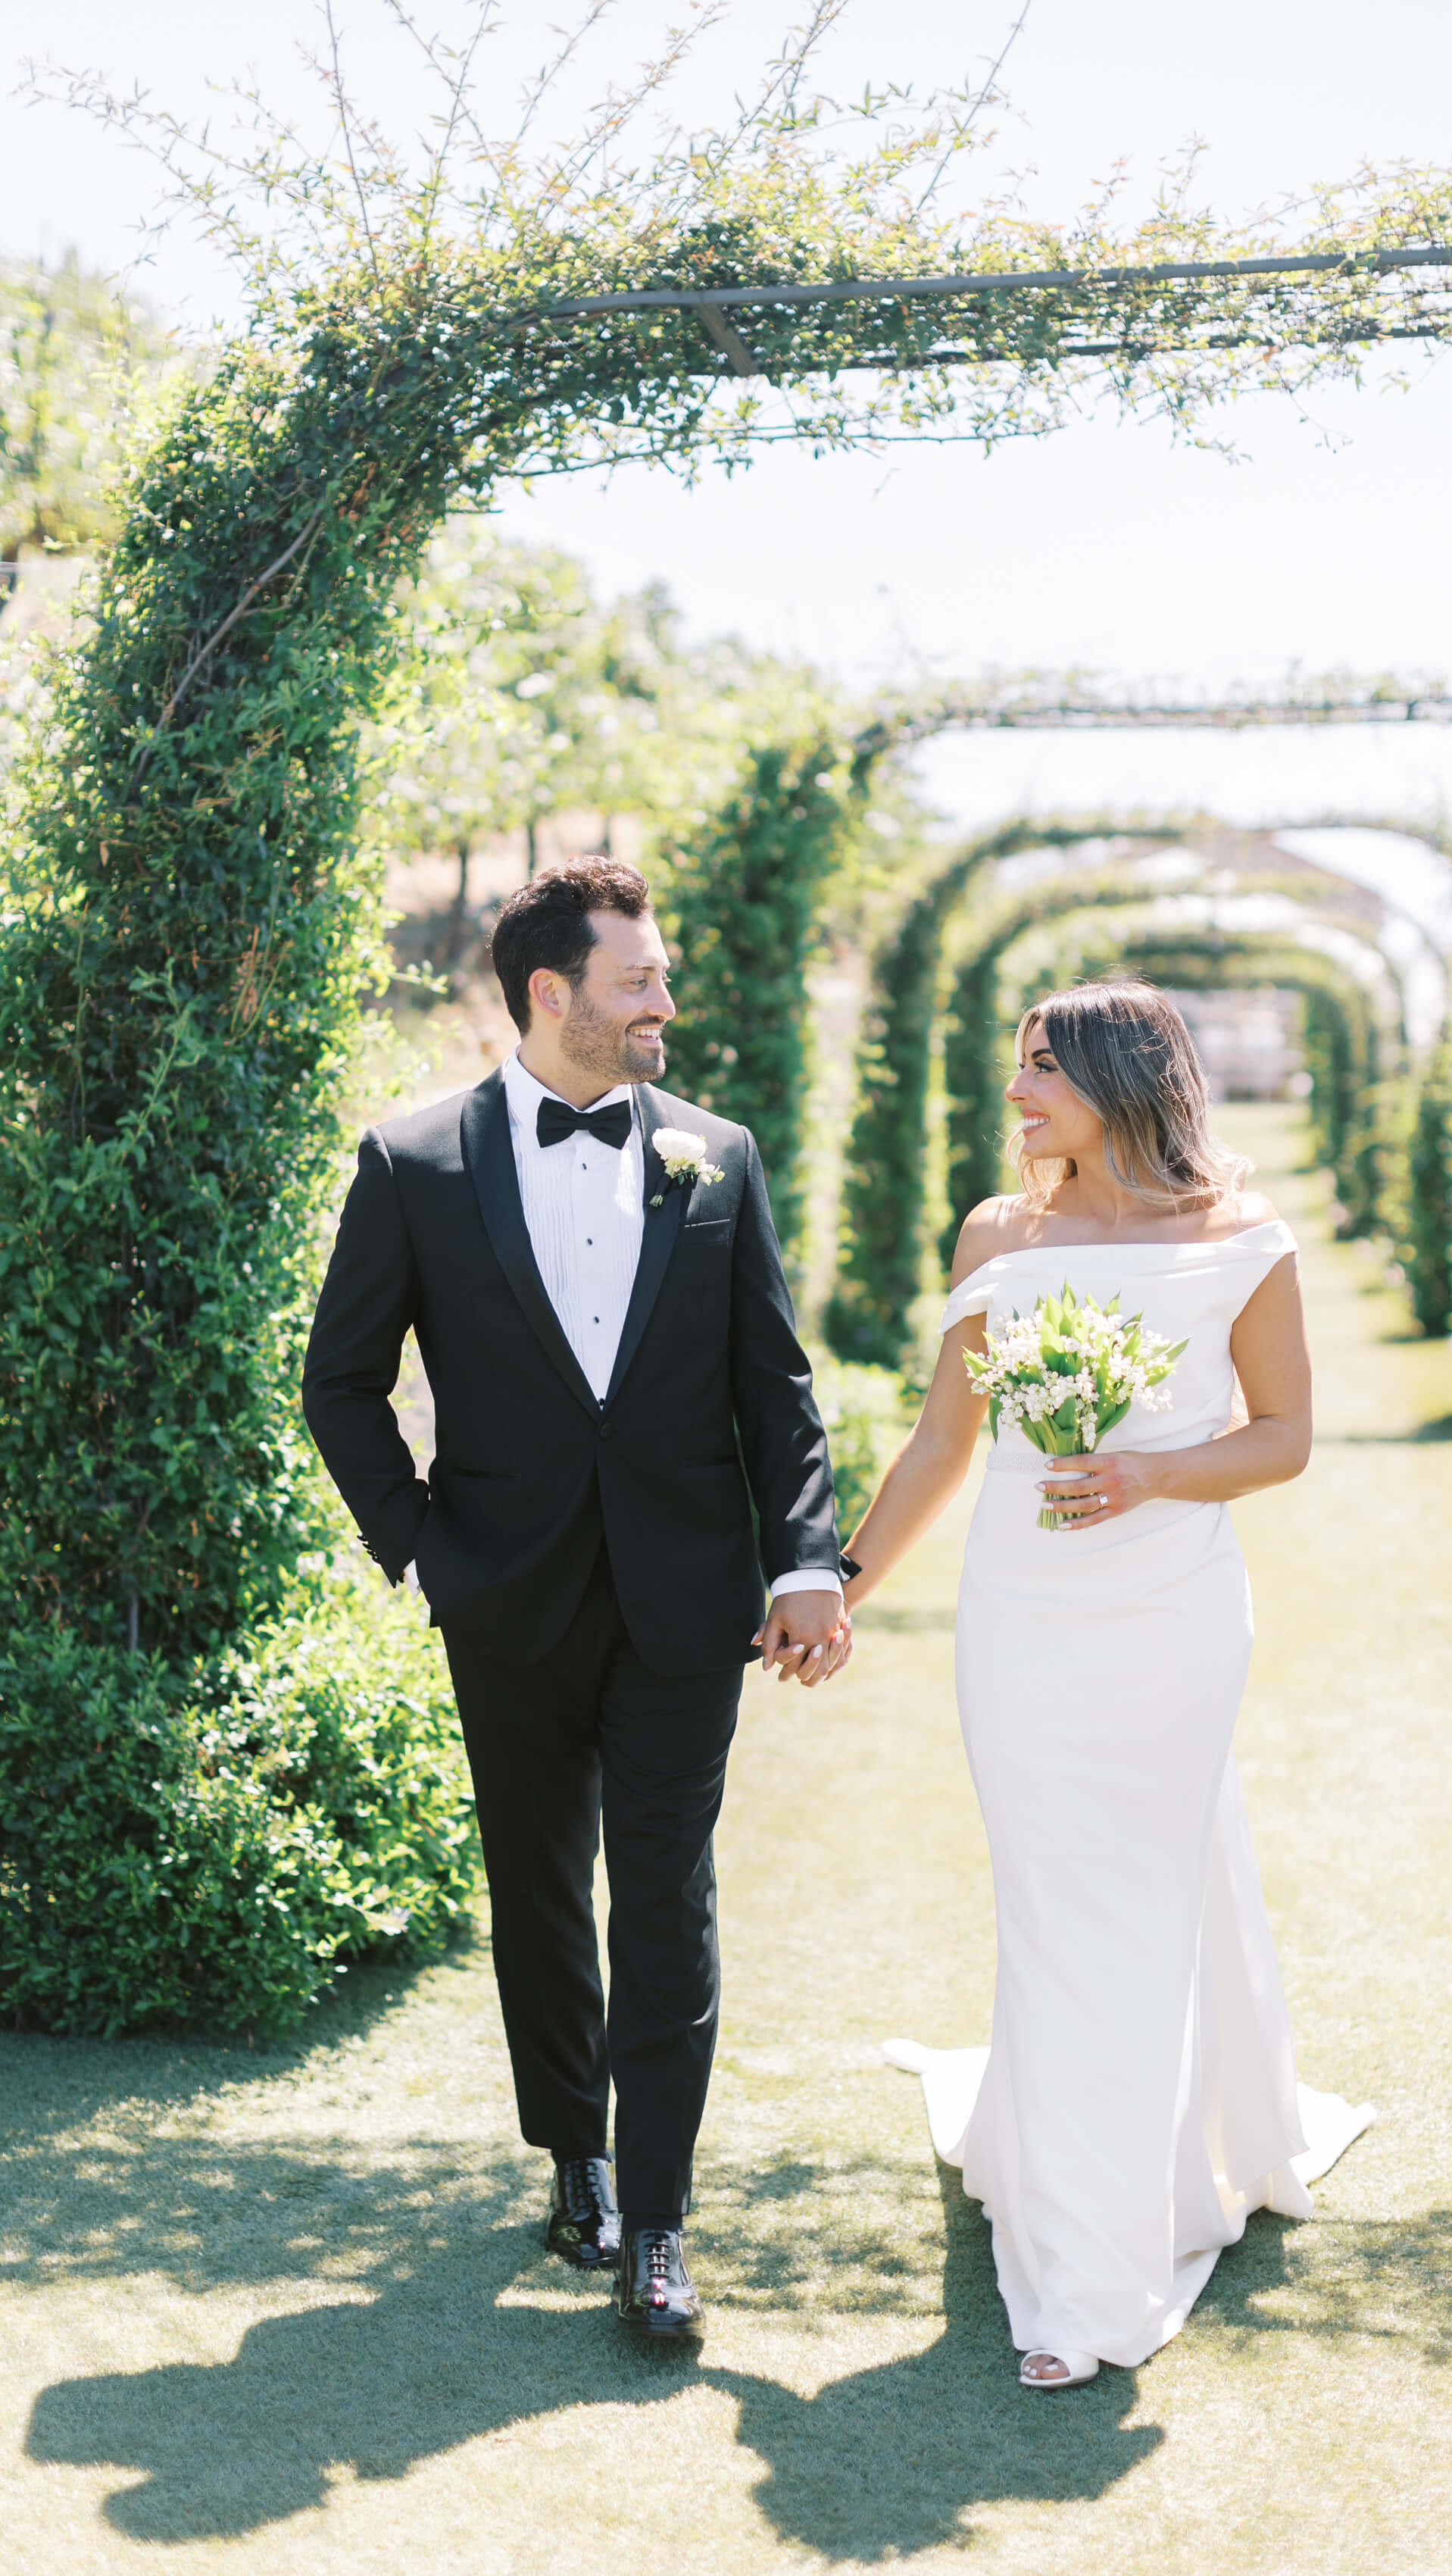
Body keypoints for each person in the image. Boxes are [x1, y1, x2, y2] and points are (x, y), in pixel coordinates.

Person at [301, 855, 850, 2343]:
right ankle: (577, 2156)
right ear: (553, 995)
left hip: (688, 1599)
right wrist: (419, 1547)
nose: (665, 997)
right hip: (504, 1594)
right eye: (640, 978)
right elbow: (340, 1384)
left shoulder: (718, 1154)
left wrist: (807, 1555)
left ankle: (659, 2226)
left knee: (664, 1891)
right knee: (538, 1886)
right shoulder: (412, 1160)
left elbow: (776, 1388)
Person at [844, 979, 1372, 2390]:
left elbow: (1286, 1437)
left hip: (1172, 1616)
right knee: (1050, 1902)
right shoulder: (998, 1233)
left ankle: (1093, 2281)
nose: (1016, 1094)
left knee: (1133, 1909)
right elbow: (946, 1443)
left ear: (1120, 1080)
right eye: (1018, 1067)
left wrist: (1148, 1472)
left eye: (1039, 1070)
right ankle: (1069, 2164)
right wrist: (841, 1584)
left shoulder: (1245, 1240)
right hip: (1020, 1615)